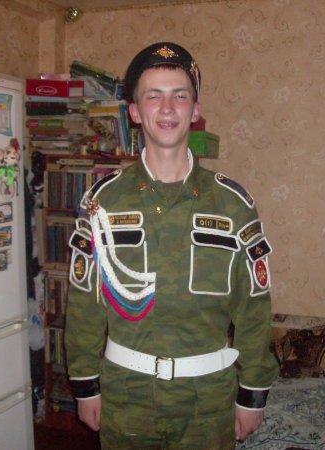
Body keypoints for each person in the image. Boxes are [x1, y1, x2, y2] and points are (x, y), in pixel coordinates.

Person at [65, 42, 278, 449]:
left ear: (195, 110)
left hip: (208, 402)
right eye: (153, 96)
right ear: (134, 111)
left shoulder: (233, 204)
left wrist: (253, 392)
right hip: (126, 397)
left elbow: (254, 308)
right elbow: (84, 303)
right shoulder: (102, 203)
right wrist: (85, 384)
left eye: (180, 96)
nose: (167, 108)